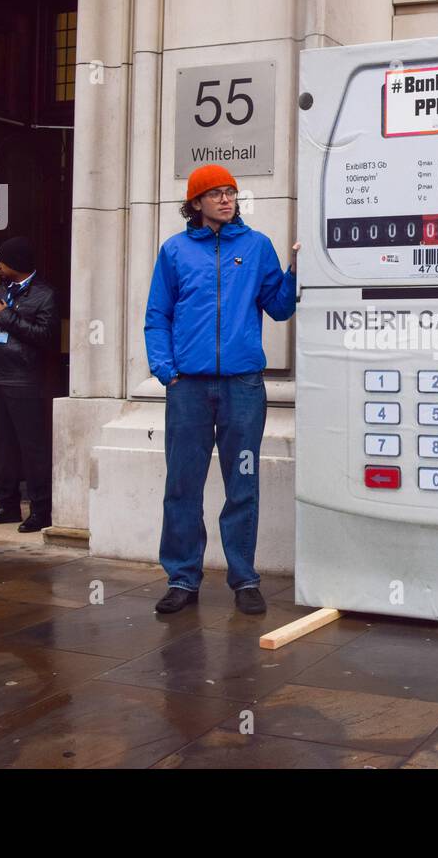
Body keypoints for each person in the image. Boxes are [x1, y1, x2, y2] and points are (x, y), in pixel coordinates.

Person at [145, 164, 300, 615]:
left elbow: (279, 307)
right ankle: (182, 578)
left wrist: (295, 271)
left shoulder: (256, 247)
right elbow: (158, 315)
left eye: (231, 192)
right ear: (196, 203)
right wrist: (165, 370)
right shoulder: (174, 252)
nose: (226, 200)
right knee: (182, 485)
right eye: (215, 194)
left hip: (243, 387)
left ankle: (244, 579)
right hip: (188, 388)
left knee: (243, 483)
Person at [0, 236, 57, 533]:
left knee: (32, 449)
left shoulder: (44, 295)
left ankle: (40, 510)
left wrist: (4, 316)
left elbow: (45, 337)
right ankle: (6, 505)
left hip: (25, 382)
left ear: (16, 263)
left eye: (2, 261)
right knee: (4, 448)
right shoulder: (1, 289)